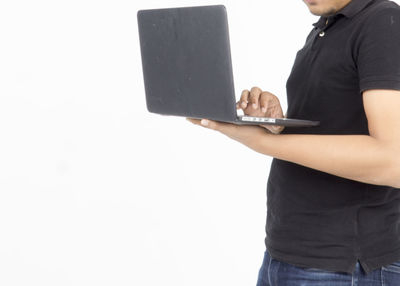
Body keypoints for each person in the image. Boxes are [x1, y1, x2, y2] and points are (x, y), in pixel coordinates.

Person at [188, 0, 400, 284]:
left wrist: (261, 142)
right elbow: (332, 130)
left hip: (343, 267)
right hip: (285, 255)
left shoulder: (382, 22)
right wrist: (276, 123)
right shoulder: (327, 26)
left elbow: (392, 160)